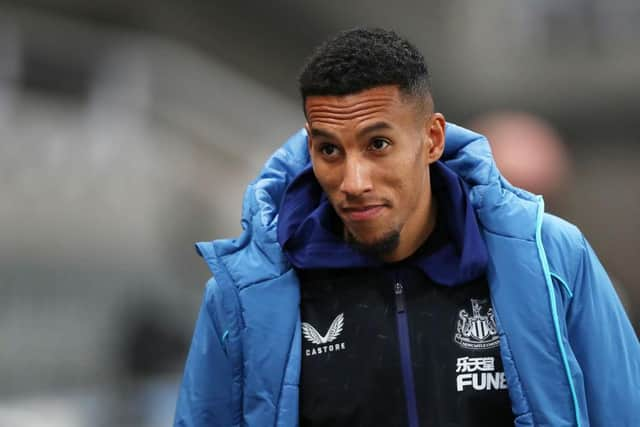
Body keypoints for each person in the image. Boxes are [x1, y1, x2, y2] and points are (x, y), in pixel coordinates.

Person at [174, 28, 639, 427]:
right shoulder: (245, 295)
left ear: (432, 139)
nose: (353, 182)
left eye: (378, 144)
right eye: (330, 150)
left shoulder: (552, 259)